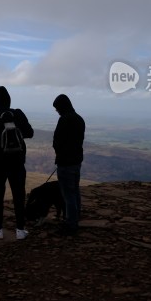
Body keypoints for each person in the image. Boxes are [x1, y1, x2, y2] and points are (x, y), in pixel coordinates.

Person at [0, 86, 34, 240]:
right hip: (17, 161)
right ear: (9, 98)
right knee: (19, 194)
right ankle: (20, 230)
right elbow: (30, 133)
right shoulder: (18, 113)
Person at [52, 94, 85, 236]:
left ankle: (71, 224)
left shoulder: (64, 120)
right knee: (75, 191)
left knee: (68, 195)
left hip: (65, 162)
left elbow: (57, 141)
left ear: (62, 106)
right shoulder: (79, 119)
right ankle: (76, 218)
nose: (57, 111)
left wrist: (59, 153)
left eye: (57, 108)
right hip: (76, 161)